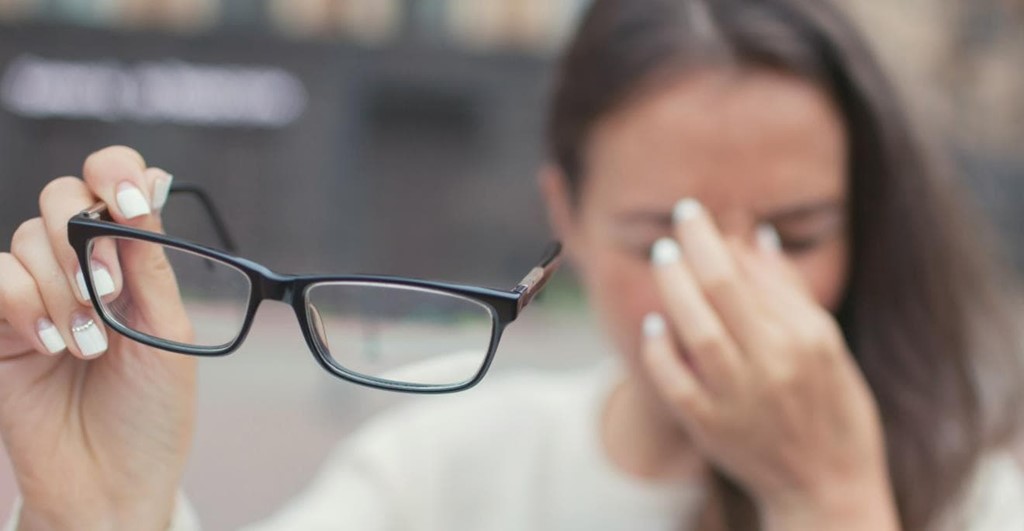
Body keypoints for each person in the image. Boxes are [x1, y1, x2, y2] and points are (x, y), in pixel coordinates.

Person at [2, 0, 1023, 529]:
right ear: (563, 217)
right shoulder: (443, 475)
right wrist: (101, 513)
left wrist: (832, 501)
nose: (734, 291)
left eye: (795, 236)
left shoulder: (976, 501)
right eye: (663, 238)